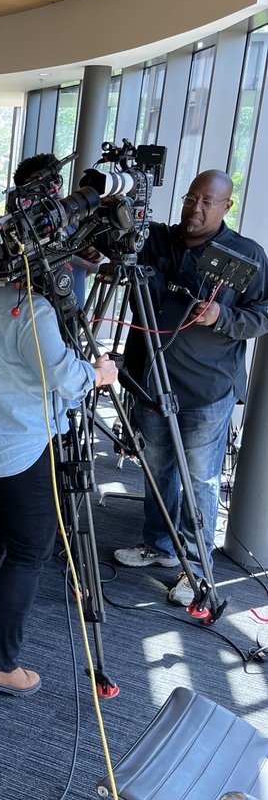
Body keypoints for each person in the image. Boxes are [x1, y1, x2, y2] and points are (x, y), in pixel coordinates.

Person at [0, 267, 118, 697]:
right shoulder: (34, 309)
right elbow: (64, 376)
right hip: (19, 449)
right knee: (30, 548)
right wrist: (98, 374)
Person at [113, 169, 268, 605]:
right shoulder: (156, 240)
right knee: (157, 469)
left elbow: (265, 311)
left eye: (206, 202)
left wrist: (224, 316)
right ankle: (158, 545)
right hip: (150, 380)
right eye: (189, 198)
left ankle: (196, 569)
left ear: (226, 207)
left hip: (206, 390)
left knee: (199, 480)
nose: (194, 209)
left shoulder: (246, 255)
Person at [13, 152, 101, 307]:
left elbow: (82, 267)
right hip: (32, 321)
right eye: (43, 183)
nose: (53, 188)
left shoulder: (76, 222)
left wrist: (94, 255)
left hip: (73, 316)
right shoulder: (16, 230)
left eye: (55, 180)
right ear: (24, 190)